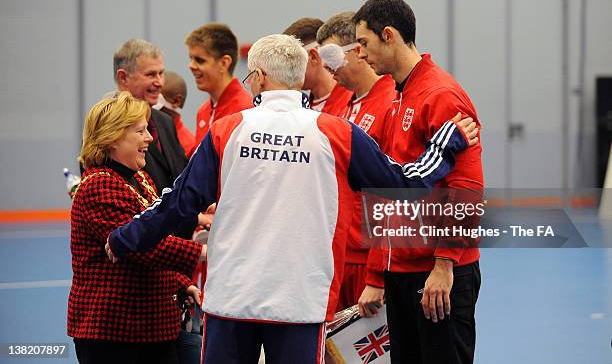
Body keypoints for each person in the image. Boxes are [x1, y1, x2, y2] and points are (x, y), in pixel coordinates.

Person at [106, 34, 479, 364]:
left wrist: (125, 238)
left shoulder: (229, 129)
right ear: (300, 77)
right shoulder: (335, 132)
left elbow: (179, 204)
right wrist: (448, 144)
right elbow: (403, 182)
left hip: (232, 297)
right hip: (300, 299)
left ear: (261, 78)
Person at [354, 0, 484, 364]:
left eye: (364, 43)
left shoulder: (440, 94)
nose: (360, 54)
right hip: (401, 270)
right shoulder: (398, 94)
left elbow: (466, 189)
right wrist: (380, 271)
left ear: (389, 35)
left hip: (437, 274)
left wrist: (444, 264)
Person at [68, 91, 206, 364]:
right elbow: (143, 248)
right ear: (112, 137)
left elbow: (156, 235)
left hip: (149, 328)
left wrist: (180, 283)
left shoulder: (140, 179)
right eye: (140, 131)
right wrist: (203, 252)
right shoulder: (99, 185)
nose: (150, 139)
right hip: (112, 332)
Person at [316, 11, 397, 311]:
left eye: (332, 56)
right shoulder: (343, 107)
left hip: (367, 259)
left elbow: (395, 194)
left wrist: (376, 275)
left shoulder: (390, 102)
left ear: (359, 51)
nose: (326, 66)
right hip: (338, 253)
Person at [114, 39, 188, 194]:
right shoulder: (106, 126)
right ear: (123, 78)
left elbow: (181, 175)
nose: (160, 82)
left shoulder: (165, 122)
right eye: (151, 74)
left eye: (161, 73)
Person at [186, 23, 253, 151]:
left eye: (200, 60)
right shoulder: (203, 111)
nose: (191, 66)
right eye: (191, 59)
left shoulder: (246, 111)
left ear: (224, 63)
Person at [283, 17, 352, 115]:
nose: (285, 72)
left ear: (313, 57)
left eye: (291, 62)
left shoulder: (353, 100)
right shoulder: (301, 109)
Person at [156, 71, 196, 156]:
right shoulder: (147, 135)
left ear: (176, 101)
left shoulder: (189, 146)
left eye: (157, 97)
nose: (151, 102)